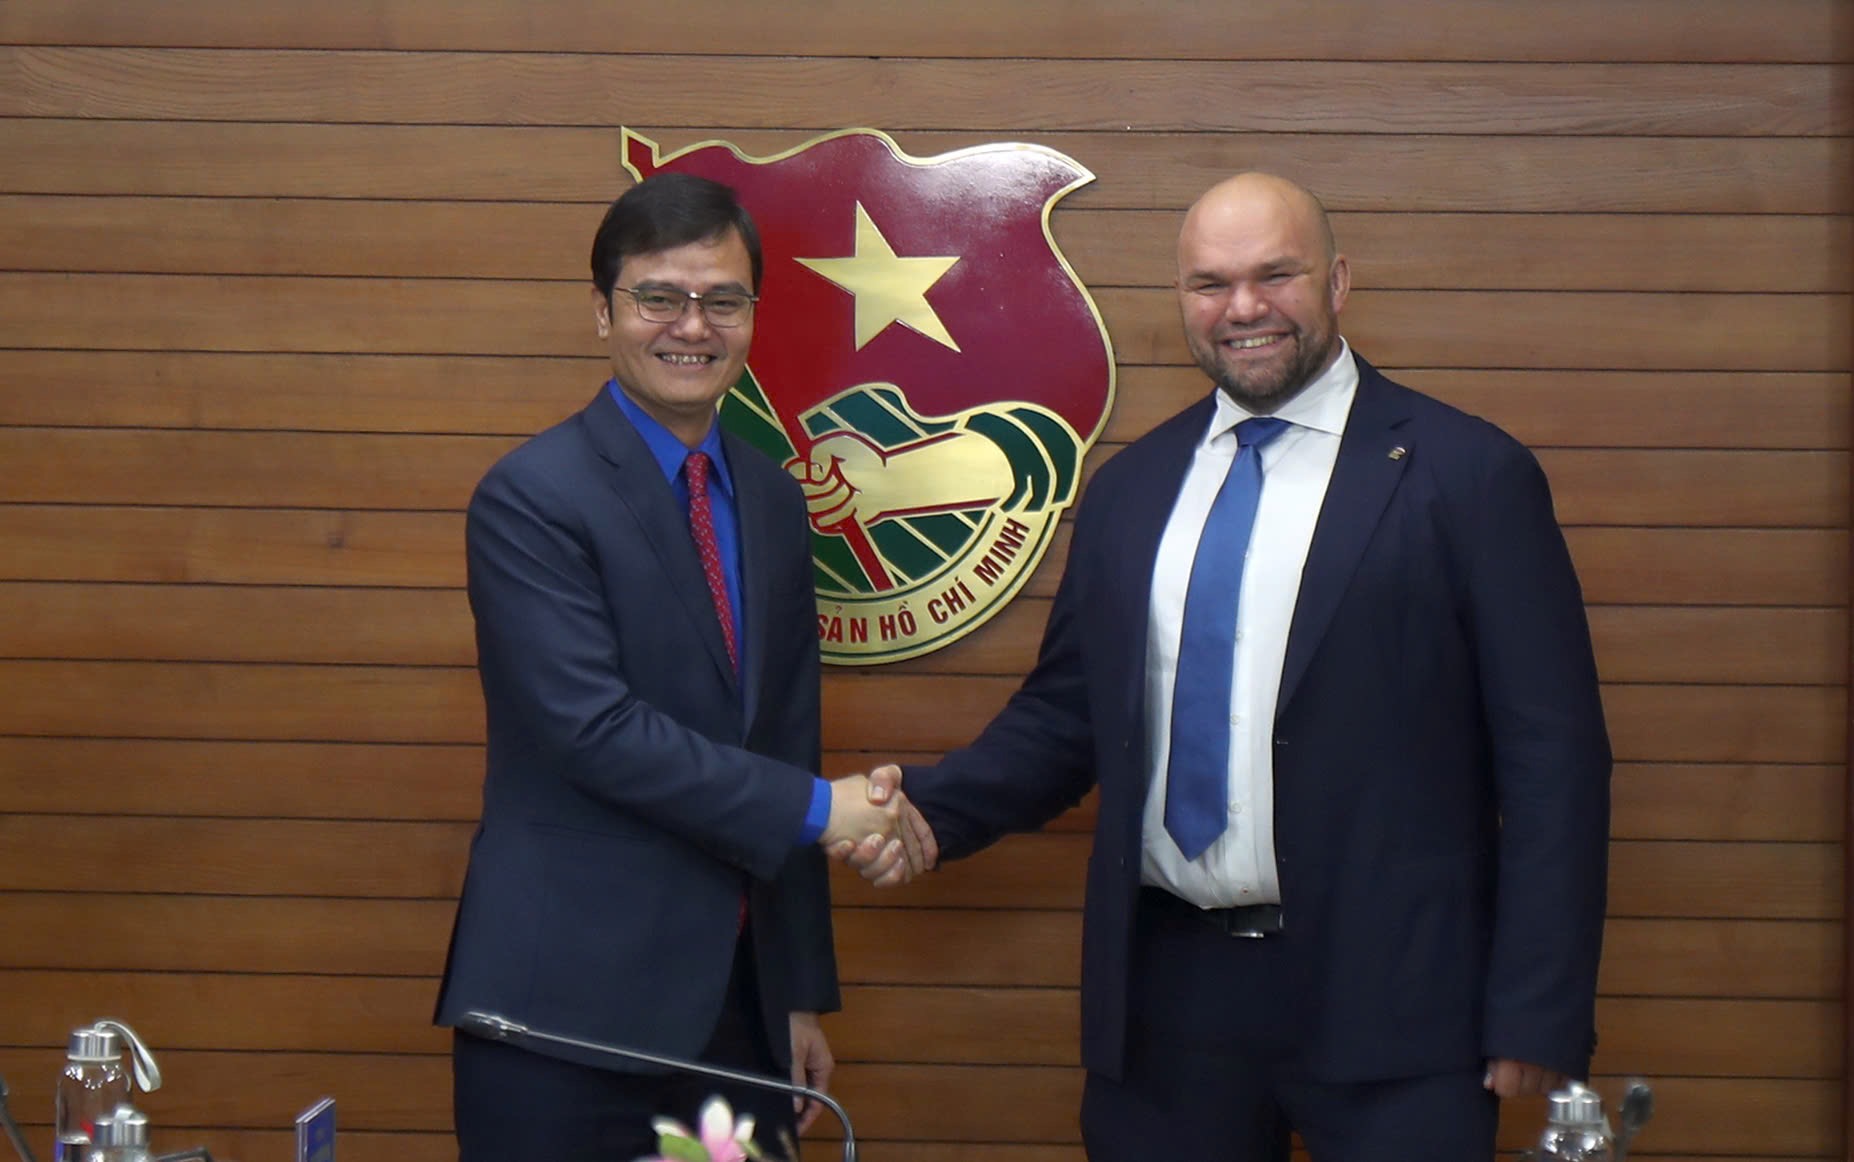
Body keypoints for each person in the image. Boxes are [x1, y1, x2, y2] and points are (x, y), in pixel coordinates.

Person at [853, 172, 1611, 1161]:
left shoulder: (1467, 475)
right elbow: (1068, 717)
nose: (1243, 308)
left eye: (1275, 275)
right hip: (1170, 1006)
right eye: (1211, 283)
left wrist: (1537, 1009)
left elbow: (1554, 760)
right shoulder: (1132, 489)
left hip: (1402, 1006)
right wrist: (927, 810)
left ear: (1337, 281)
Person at [433, 172, 923, 1162]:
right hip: (563, 1015)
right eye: (659, 295)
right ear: (602, 310)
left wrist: (793, 992)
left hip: (737, 1016)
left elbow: (784, 734)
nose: (692, 325)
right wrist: (826, 811)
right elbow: (592, 731)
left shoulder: (776, 501)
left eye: (722, 300)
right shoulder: (531, 497)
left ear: (752, 317)